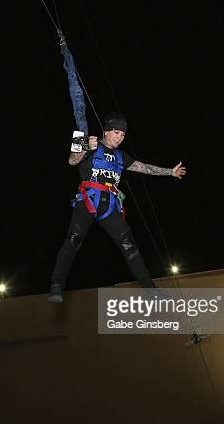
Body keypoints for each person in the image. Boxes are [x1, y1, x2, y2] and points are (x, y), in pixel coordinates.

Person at [48, 112, 186, 302]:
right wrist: (87, 145)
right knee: (73, 239)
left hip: (109, 206)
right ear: (107, 131)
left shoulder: (122, 156)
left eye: (122, 135)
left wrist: (170, 172)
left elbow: (144, 167)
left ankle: (150, 289)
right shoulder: (88, 141)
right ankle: (56, 285)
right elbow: (71, 160)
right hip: (87, 201)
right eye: (116, 133)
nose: (120, 138)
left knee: (129, 243)